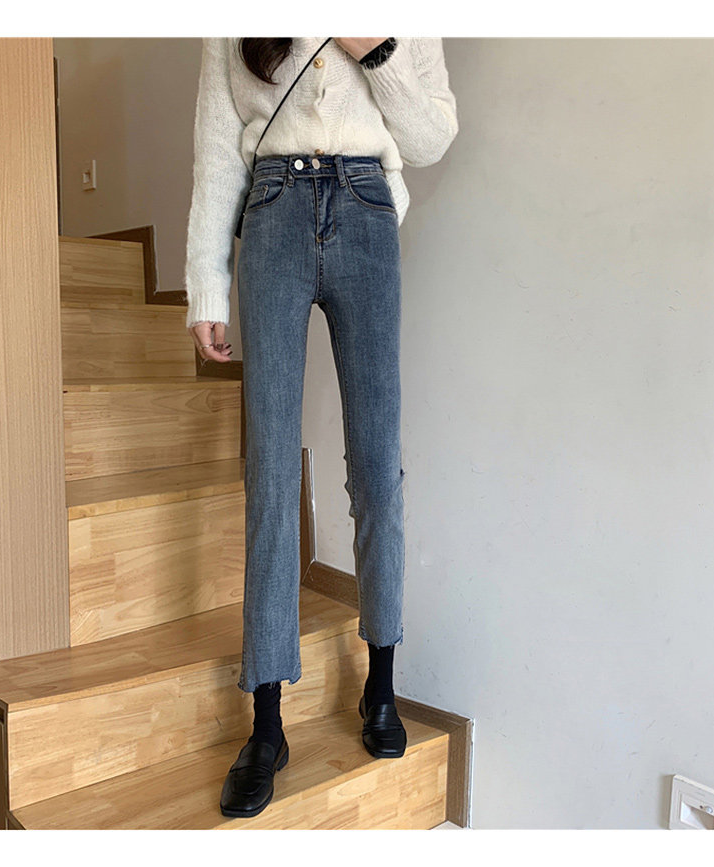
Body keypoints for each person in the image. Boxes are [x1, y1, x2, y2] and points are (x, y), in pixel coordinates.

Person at [183, 36, 458, 819]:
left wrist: (377, 49)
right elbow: (216, 143)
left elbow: (432, 136)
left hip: (366, 210)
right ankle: (267, 721)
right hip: (272, 210)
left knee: (377, 466)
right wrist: (206, 286)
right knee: (271, 471)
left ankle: (382, 682)